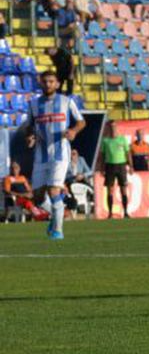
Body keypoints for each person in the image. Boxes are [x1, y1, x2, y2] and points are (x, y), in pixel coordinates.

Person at [25, 71, 86, 240]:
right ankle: (57, 214)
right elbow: (29, 126)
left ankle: (58, 231)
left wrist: (73, 131)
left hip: (60, 155)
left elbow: (81, 121)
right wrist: (29, 137)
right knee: (37, 197)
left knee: (53, 191)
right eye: (45, 81)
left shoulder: (66, 102)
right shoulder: (34, 104)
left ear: (57, 84)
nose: (48, 84)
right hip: (41, 155)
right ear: (41, 83)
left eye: (51, 81)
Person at [99, 122, 133, 219]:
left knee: (123, 189)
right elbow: (102, 156)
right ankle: (110, 213)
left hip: (121, 165)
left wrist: (131, 166)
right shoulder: (105, 141)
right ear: (108, 129)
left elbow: (127, 153)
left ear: (117, 128)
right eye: (111, 127)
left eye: (114, 127)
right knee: (110, 190)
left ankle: (125, 212)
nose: (112, 129)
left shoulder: (122, 139)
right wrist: (102, 168)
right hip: (110, 166)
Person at [64, 148, 93, 215]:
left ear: (77, 155)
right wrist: (73, 176)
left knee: (88, 184)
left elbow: (90, 171)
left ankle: (91, 196)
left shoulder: (81, 160)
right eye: (71, 154)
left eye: (74, 154)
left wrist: (82, 175)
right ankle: (73, 205)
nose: (72, 156)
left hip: (81, 181)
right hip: (71, 181)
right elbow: (64, 176)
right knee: (70, 186)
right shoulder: (67, 162)